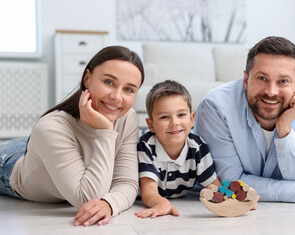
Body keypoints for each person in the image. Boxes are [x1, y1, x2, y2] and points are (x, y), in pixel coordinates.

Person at [0, 46, 144, 226]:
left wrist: (109, 204)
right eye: (109, 82)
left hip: (44, 150)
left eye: (129, 90)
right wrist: (105, 131)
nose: (116, 96)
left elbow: (127, 182)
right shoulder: (50, 127)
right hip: (9, 165)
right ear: (87, 78)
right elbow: (88, 197)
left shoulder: (127, 118)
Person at [194, 36, 295, 204]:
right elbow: (230, 183)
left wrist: (284, 129)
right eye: (262, 78)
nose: (271, 91)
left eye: (283, 81)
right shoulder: (216, 108)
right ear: (246, 79)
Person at [135, 80, 221, 218]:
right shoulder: (145, 146)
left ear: (192, 119)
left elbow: (213, 186)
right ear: (151, 125)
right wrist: (162, 203)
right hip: (146, 198)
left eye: (181, 115)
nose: (174, 123)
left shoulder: (198, 147)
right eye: (164, 117)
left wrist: (234, 201)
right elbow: (148, 192)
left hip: (178, 197)